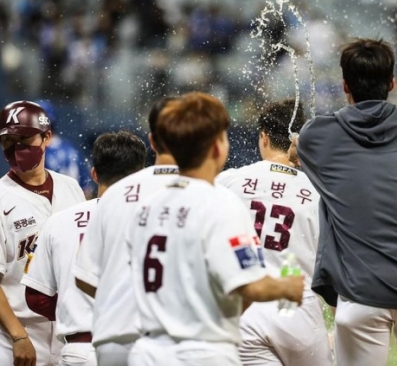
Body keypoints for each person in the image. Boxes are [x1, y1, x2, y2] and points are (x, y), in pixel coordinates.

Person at [289, 38, 397, 366]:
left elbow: (296, 152)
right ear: (392, 83)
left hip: (361, 293)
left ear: (345, 85)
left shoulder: (318, 135)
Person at [127, 91, 304, 366]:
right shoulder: (221, 203)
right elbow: (250, 287)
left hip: (147, 351)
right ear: (217, 147)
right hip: (201, 352)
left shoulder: (145, 207)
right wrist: (287, 287)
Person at [217, 99, 332, 365]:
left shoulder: (229, 181)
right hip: (299, 308)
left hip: (245, 309)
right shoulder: (321, 193)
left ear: (264, 137)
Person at [20, 131, 147, 366]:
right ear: (140, 177)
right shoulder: (154, 220)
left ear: (95, 174)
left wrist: (73, 308)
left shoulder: (59, 220)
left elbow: (36, 297)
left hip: (79, 350)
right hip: (137, 349)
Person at [72, 96, 179, 366]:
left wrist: (124, 299)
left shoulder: (116, 194)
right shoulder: (209, 193)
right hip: (176, 338)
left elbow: (84, 277)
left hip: (115, 337)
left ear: (152, 141)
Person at [0, 100, 85, 366]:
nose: (16, 148)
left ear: (46, 137)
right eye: (8, 141)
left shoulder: (71, 188)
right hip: (14, 334)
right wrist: (18, 336)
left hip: (66, 332)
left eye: (24, 139)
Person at [36, 99, 94, 198]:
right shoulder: (71, 149)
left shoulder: (39, 151)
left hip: (50, 210)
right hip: (75, 209)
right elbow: (87, 190)